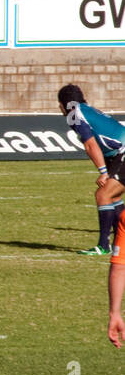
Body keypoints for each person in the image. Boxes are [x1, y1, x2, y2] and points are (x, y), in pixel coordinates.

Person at [57, 84, 125, 255]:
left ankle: (104, 245)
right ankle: (119, 242)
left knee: (103, 195)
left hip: (121, 152)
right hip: (117, 154)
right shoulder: (86, 109)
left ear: (63, 103)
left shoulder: (74, 114)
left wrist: (103, 172)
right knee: (113, 196)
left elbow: (90, 144)